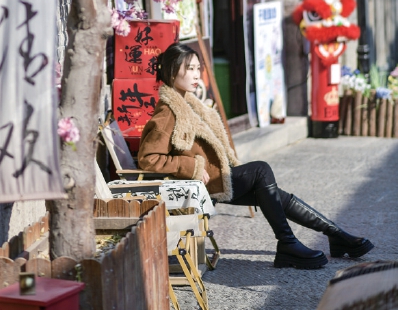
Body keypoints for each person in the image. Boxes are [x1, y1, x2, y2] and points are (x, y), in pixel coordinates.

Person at [138, 42, 374, 270]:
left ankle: (334, 235)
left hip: (215, 178)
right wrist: (191, 166)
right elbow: (148, 158)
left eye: (198, 68)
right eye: (189, 68)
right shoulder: (168, 111)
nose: (196, 74)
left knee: (273, 194)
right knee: (261, 171)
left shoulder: (189, 103)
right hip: (200, 185)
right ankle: (290, 244)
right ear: (170, 71)